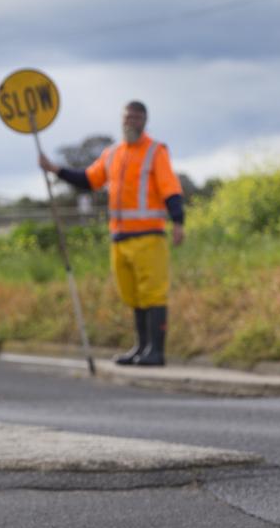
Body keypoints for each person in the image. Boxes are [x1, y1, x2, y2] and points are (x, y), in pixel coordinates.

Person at [39, 100, 184, 367]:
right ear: (122, 120)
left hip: (149, 237)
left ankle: (156, 351)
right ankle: (141, 347)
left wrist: (178, 222)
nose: (131, 122)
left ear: (145, 120)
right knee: (132, 295)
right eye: (127, 117)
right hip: (120, 238)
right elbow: (89, 179)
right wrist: (55, 170)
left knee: (153, 294)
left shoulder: (155, 151)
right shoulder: (113, 153)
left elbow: (170, 188)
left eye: (137, 118)